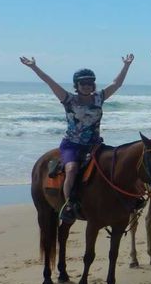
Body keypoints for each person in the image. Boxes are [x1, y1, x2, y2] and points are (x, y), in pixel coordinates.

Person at [20, 54, 134, 224]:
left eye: (90, 83)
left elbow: (117, 84)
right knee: (72, 169)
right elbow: (50, 82)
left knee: (115, 163)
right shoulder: (68, 99)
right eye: (83, 83)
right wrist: (34, 67)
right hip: (72, 145)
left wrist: (126, 65)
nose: (87, 86)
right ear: (77, 85)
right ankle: (68, 204)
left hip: (95, 145)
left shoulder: (99, 97)